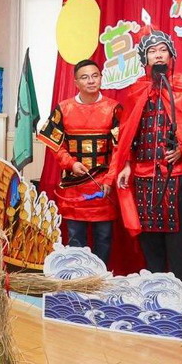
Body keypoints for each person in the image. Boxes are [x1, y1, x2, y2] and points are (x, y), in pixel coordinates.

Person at [111, 25, 182, 290]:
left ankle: (181, 298)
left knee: (178, 242)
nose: (158, 55)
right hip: (143, 177)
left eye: (162, 50)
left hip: (174, 176)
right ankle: (153, 294)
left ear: (171, 55)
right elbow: (128, 133)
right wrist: (126, 164)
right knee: (150, 241)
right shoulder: (136, 90)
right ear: (144, 58)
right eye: (152, 51)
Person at [38, 59, 121, 265]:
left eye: (95, 76)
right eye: (85, 77)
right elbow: (54, 144)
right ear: (76, 82)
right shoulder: (63, 108)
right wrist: (70, 163)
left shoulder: (113, 108)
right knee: (75, 238)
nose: (91, 81)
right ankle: (78, 278)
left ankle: (100, 278)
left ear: (101, 78)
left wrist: (109, 179)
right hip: (73, 186)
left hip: (103, 186)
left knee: (104, 238)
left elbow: (119, 149)